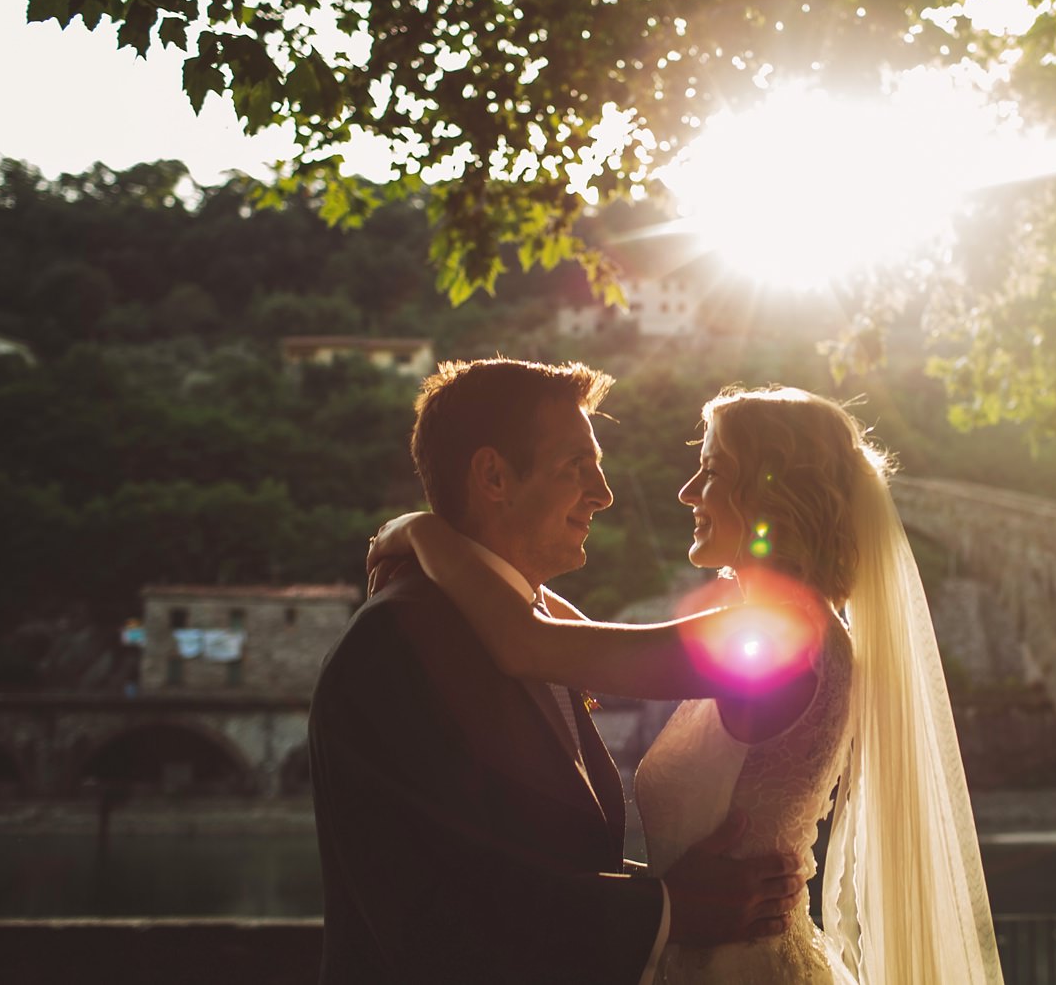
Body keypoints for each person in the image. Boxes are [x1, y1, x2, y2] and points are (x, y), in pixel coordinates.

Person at [371, 383, 1003, 983]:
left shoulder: (772, 634)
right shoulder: (793, 626)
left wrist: (417, 530)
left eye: (712, 472)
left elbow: (528, 644)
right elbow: (567, 632)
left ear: (769, 494)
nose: (687, 492)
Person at [309, 358, 805, 984]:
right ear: (493, 476)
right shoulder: (395, 642)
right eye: (578, 466)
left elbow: (537, 858)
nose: (604, 493)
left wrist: (423, 530)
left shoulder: (531, 630)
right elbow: (434, 908)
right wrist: (668, 907)